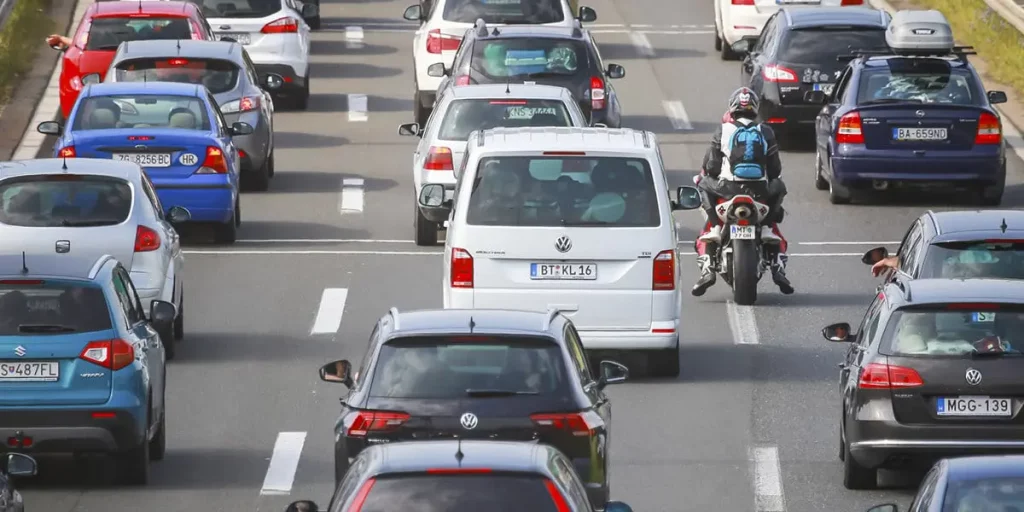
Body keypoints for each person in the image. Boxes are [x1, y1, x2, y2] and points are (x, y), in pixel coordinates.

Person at [692, 87, 793, 297]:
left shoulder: (722, 131)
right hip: (759, 192)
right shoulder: (765, 131)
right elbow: (775, 170)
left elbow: (711, 167)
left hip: (727, 190)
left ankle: (714, 235)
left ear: (732, 107)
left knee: (703, 184)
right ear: (754, 108)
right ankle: (774, 254)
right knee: (779, 186)